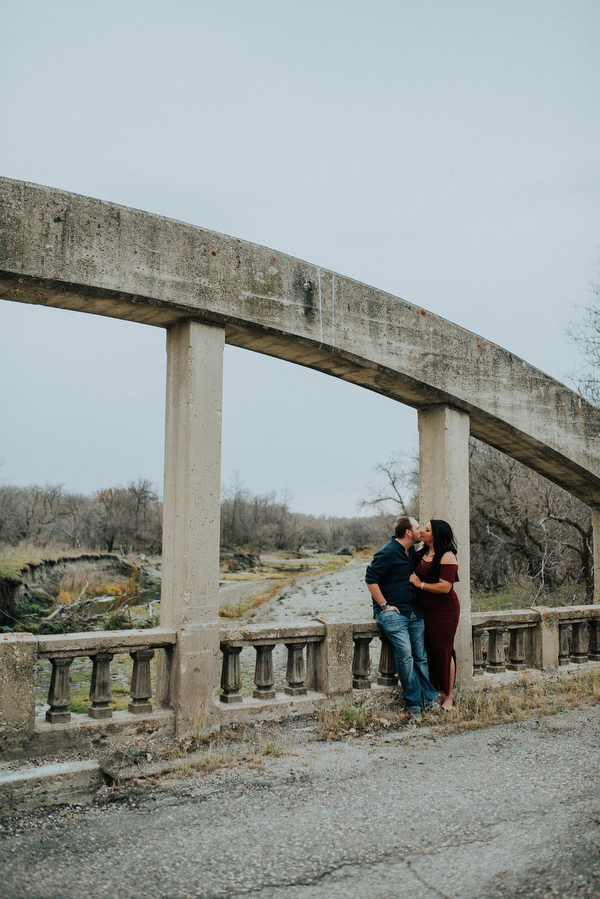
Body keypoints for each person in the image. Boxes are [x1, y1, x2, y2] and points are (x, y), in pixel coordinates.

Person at [365, 516, 438, 720]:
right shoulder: (387, 552)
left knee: (421, 656)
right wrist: (385, 606)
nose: (420, 531)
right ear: (408, 533)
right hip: (393, 613)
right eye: (417, 528)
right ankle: (413, 704)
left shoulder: (412, 552)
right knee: (406, 655)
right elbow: (370, 579)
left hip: (414, 611)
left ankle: (430, 700)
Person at [409, 520, 460, 711]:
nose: (422, 531)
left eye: (427, 530)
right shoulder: (422, 552)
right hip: (425, 610)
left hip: (444, 610)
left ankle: (448, 697)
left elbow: (445, 587)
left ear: (436, 535)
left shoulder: (447, 556)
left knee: (444, 650)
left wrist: (420, 585)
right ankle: (433, 690)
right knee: (428, 650)